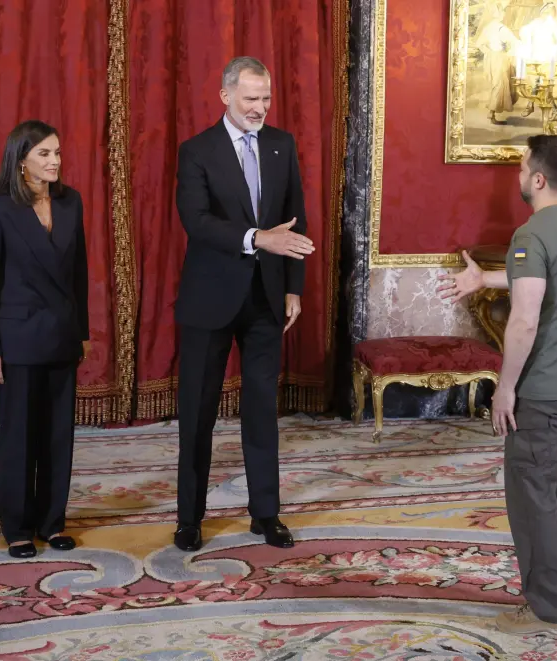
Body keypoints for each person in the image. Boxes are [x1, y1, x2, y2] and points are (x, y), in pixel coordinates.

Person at [437, 135, 557, 638]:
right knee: (545, 481)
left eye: (521, 168)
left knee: (528, 495)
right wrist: (486, 279)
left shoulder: (531, 234)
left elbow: (525, 319)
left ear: (538, 179)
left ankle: (550, 612)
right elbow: (546, 280)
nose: (517, 176)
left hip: (543, 384)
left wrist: (505, 388)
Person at [172, 56, 315, 552]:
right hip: (209, 300)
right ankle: (189, 518)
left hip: (266, 301)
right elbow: (197, 222)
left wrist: (293, 286)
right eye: (252, 98)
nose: (260, 107)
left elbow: (296, 220)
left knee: (261, 410)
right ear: (225, 96)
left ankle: (266, 513)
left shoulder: (281, 144)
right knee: (198, 412)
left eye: (266, 98)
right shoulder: (196, 151)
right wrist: (257, 238)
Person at [0, 120, 90, 559]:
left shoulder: (71, 201)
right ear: (21, 159)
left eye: (58, 152)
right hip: (17, 338)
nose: (55, 161)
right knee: (20, 435)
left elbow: (79, 273)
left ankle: (52, 522)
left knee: (59, 434)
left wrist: (81, 333)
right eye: (44, 154)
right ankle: (18, 528)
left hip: (61, 335)